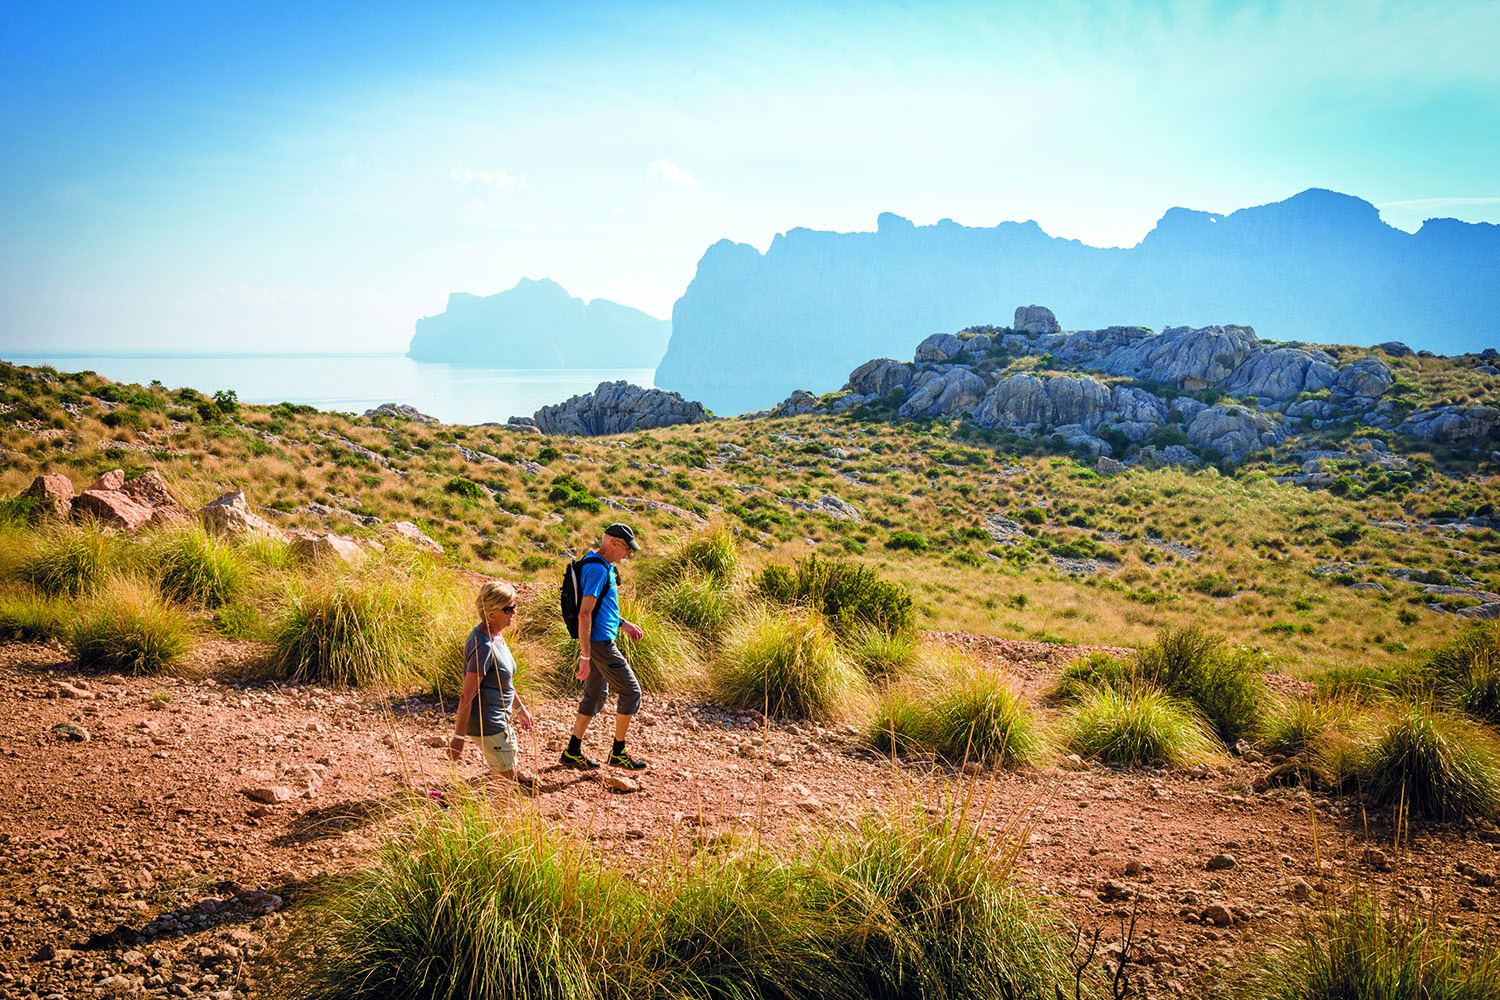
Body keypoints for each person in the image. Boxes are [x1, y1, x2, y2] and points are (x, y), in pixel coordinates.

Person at [561, 523, 649, 771]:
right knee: (631, 692)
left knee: (595, 696)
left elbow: (600, 609)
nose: (629, 554)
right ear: (613, 543)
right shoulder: (598, 570)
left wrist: (622, 623)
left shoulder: (597, 564)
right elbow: (585, 614)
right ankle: (618, 753)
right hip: (600, 644)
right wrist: (586, 657)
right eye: (627, 548)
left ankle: (572, 752)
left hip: (601, 639)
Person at [448, 580, 536, 789]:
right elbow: (466, 696)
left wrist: (520, 709)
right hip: (487, 722)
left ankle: (452, 801)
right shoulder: (483, 645)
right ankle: (498, 818)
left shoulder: (496, 636)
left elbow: (504, 681)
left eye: (514, 606)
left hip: (500, 719)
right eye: (508, 608)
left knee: (504, 771)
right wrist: (458, 737)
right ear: (491, 613)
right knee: (506, 780)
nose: (514, 612)